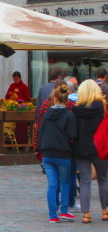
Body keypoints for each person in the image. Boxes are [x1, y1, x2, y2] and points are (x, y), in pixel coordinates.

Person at [38, 83, 77, 223]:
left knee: (52, 185)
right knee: (65, 183)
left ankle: (52, 214)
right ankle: (64, 210)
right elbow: (72, 134)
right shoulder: (69, 115)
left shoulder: (47, 113)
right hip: (63, 153)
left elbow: (40, 132)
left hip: (47, 153)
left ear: (55, 99)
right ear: (67, 100)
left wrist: (41, 149)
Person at [72, 79, 108, 224]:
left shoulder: (76, 109)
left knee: (85, 181)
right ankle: (104, 211)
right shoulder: (101, 107)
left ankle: (86, 214)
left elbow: (74, 130)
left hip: (81, 148)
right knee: (103, 179)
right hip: (99, 147)